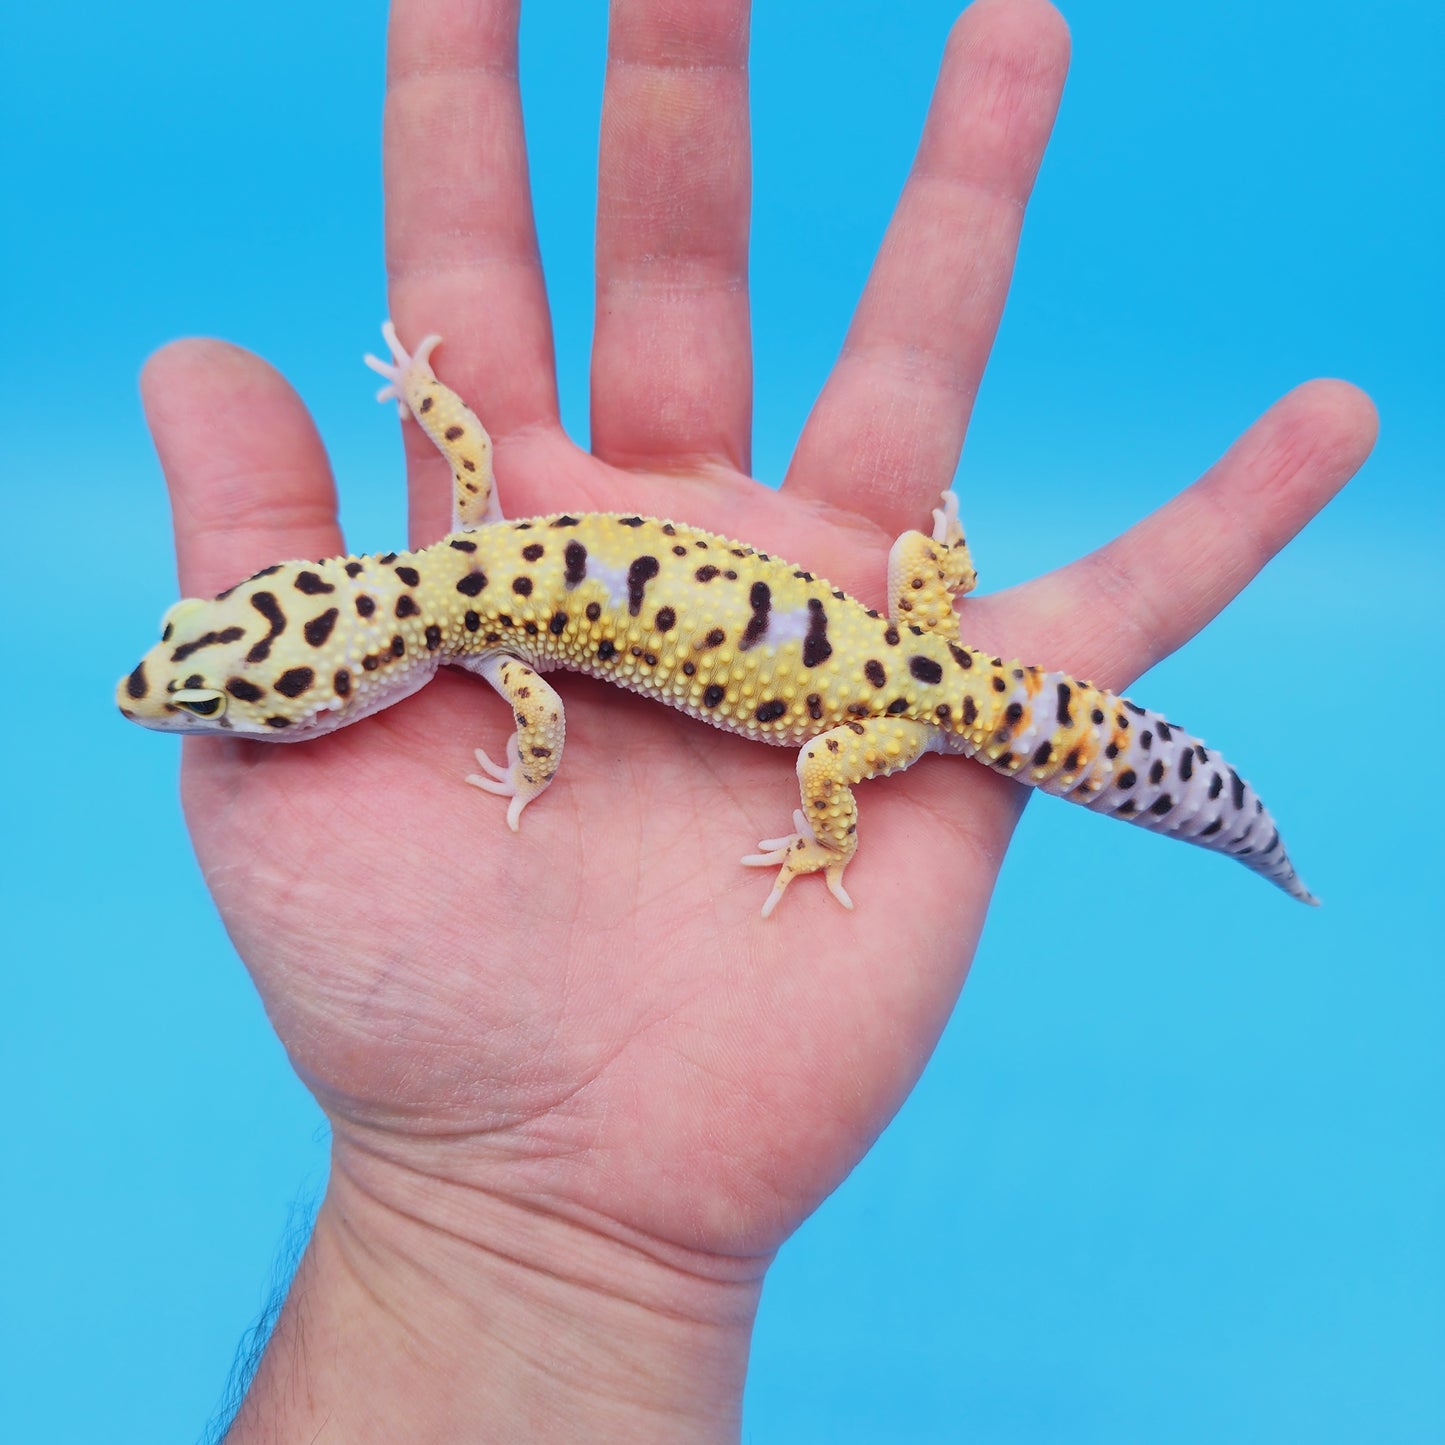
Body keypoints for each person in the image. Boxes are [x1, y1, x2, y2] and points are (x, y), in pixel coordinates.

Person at [141, 0, 1375, 1437]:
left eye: (223, 686)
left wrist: (753, 823)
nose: (184, 701)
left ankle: (1215, 832)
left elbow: (536, 719)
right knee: (927, 637)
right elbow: (465, 449)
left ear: (347, 661)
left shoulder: (491, 647)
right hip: (907, 642)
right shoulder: (460, 567)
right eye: (214, 673)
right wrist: (429, 395)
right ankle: (1169, 787)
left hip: (895, 715)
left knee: (861, 772)